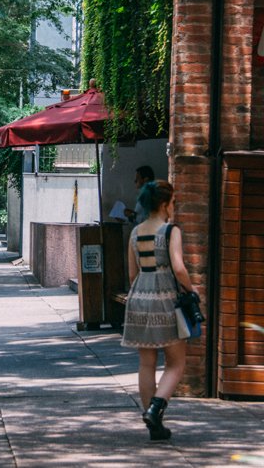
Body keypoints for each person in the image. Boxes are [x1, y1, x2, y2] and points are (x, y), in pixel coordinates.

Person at [122, 180, 193, 441]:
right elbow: (179, 268)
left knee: (146, 362)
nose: (174, 207)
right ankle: (155, 409)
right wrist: (191, 289)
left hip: (139, 297)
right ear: (164, 204)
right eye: (173, 202)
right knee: (176, 362)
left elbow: (132, 273)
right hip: (165, 299)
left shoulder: (136, 232)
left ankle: (152, 423)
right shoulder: (170, 231)